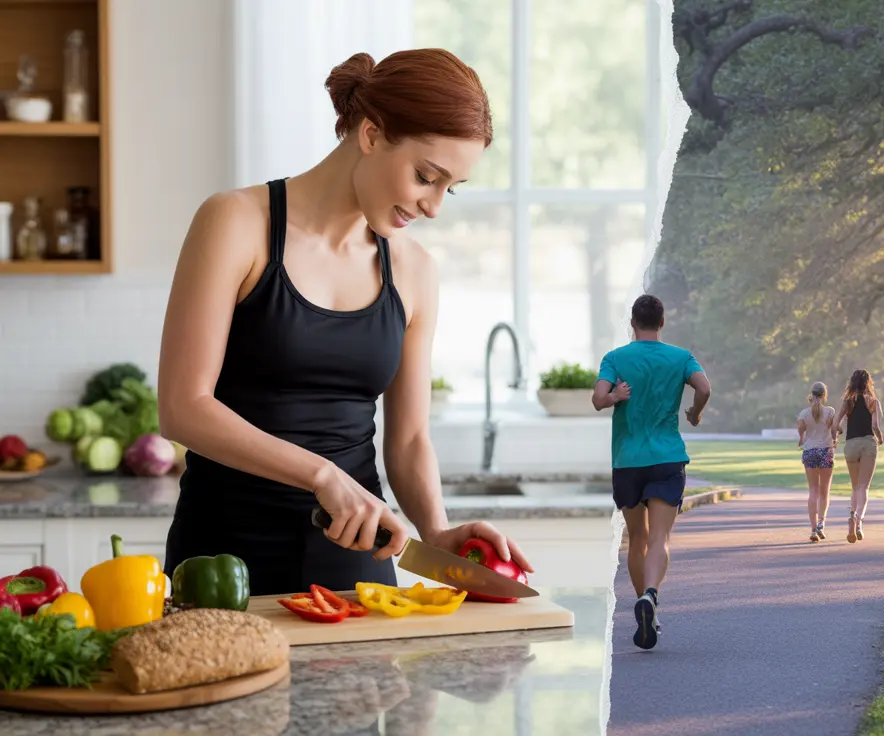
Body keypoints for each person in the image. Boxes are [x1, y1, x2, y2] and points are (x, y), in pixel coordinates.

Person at [157, 49, 532, 597]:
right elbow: (182, 408)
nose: (434, 208)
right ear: (373, 134)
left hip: (358, 561)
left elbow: (406, 442)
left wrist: (436, 529)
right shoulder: (236, 223)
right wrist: (322, 474)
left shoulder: (415, 271)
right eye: (426, 176)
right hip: (223, 560)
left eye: (449, 188)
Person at [593, 294, 711, 651]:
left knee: (637, 539)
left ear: (633, 323)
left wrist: (616, 397)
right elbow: (704, 388)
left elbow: (598, 399)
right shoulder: (680, 357)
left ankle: (646, 607)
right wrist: (694, 413)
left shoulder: (615, 358)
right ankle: (651, 595)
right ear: (662, 323)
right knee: (659, 538)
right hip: (667, 457)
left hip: (628, 461)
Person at [830, 369, 883, 544]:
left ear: (852, 382)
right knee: (864, 488)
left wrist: (837, 435)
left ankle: (854, 521)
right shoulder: (873, 401)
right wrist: (880, 438)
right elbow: (875, 426)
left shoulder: (848, 401)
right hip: (868, 443)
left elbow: (835, 425)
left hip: (851, 444)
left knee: (855, 487)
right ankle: (858, 519)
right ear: (868, 382)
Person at [797, 381, 836, 543]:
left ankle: (813, 529)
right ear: (824, 395)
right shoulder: (830, 412)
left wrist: (801, 438)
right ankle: (821, 525)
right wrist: (835, 438)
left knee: (813, 490)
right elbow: (834, 430)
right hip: (826, 451)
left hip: (810, 452)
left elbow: (801, 431)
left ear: (811, 395)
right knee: (824, 491)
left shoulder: (804, 414)